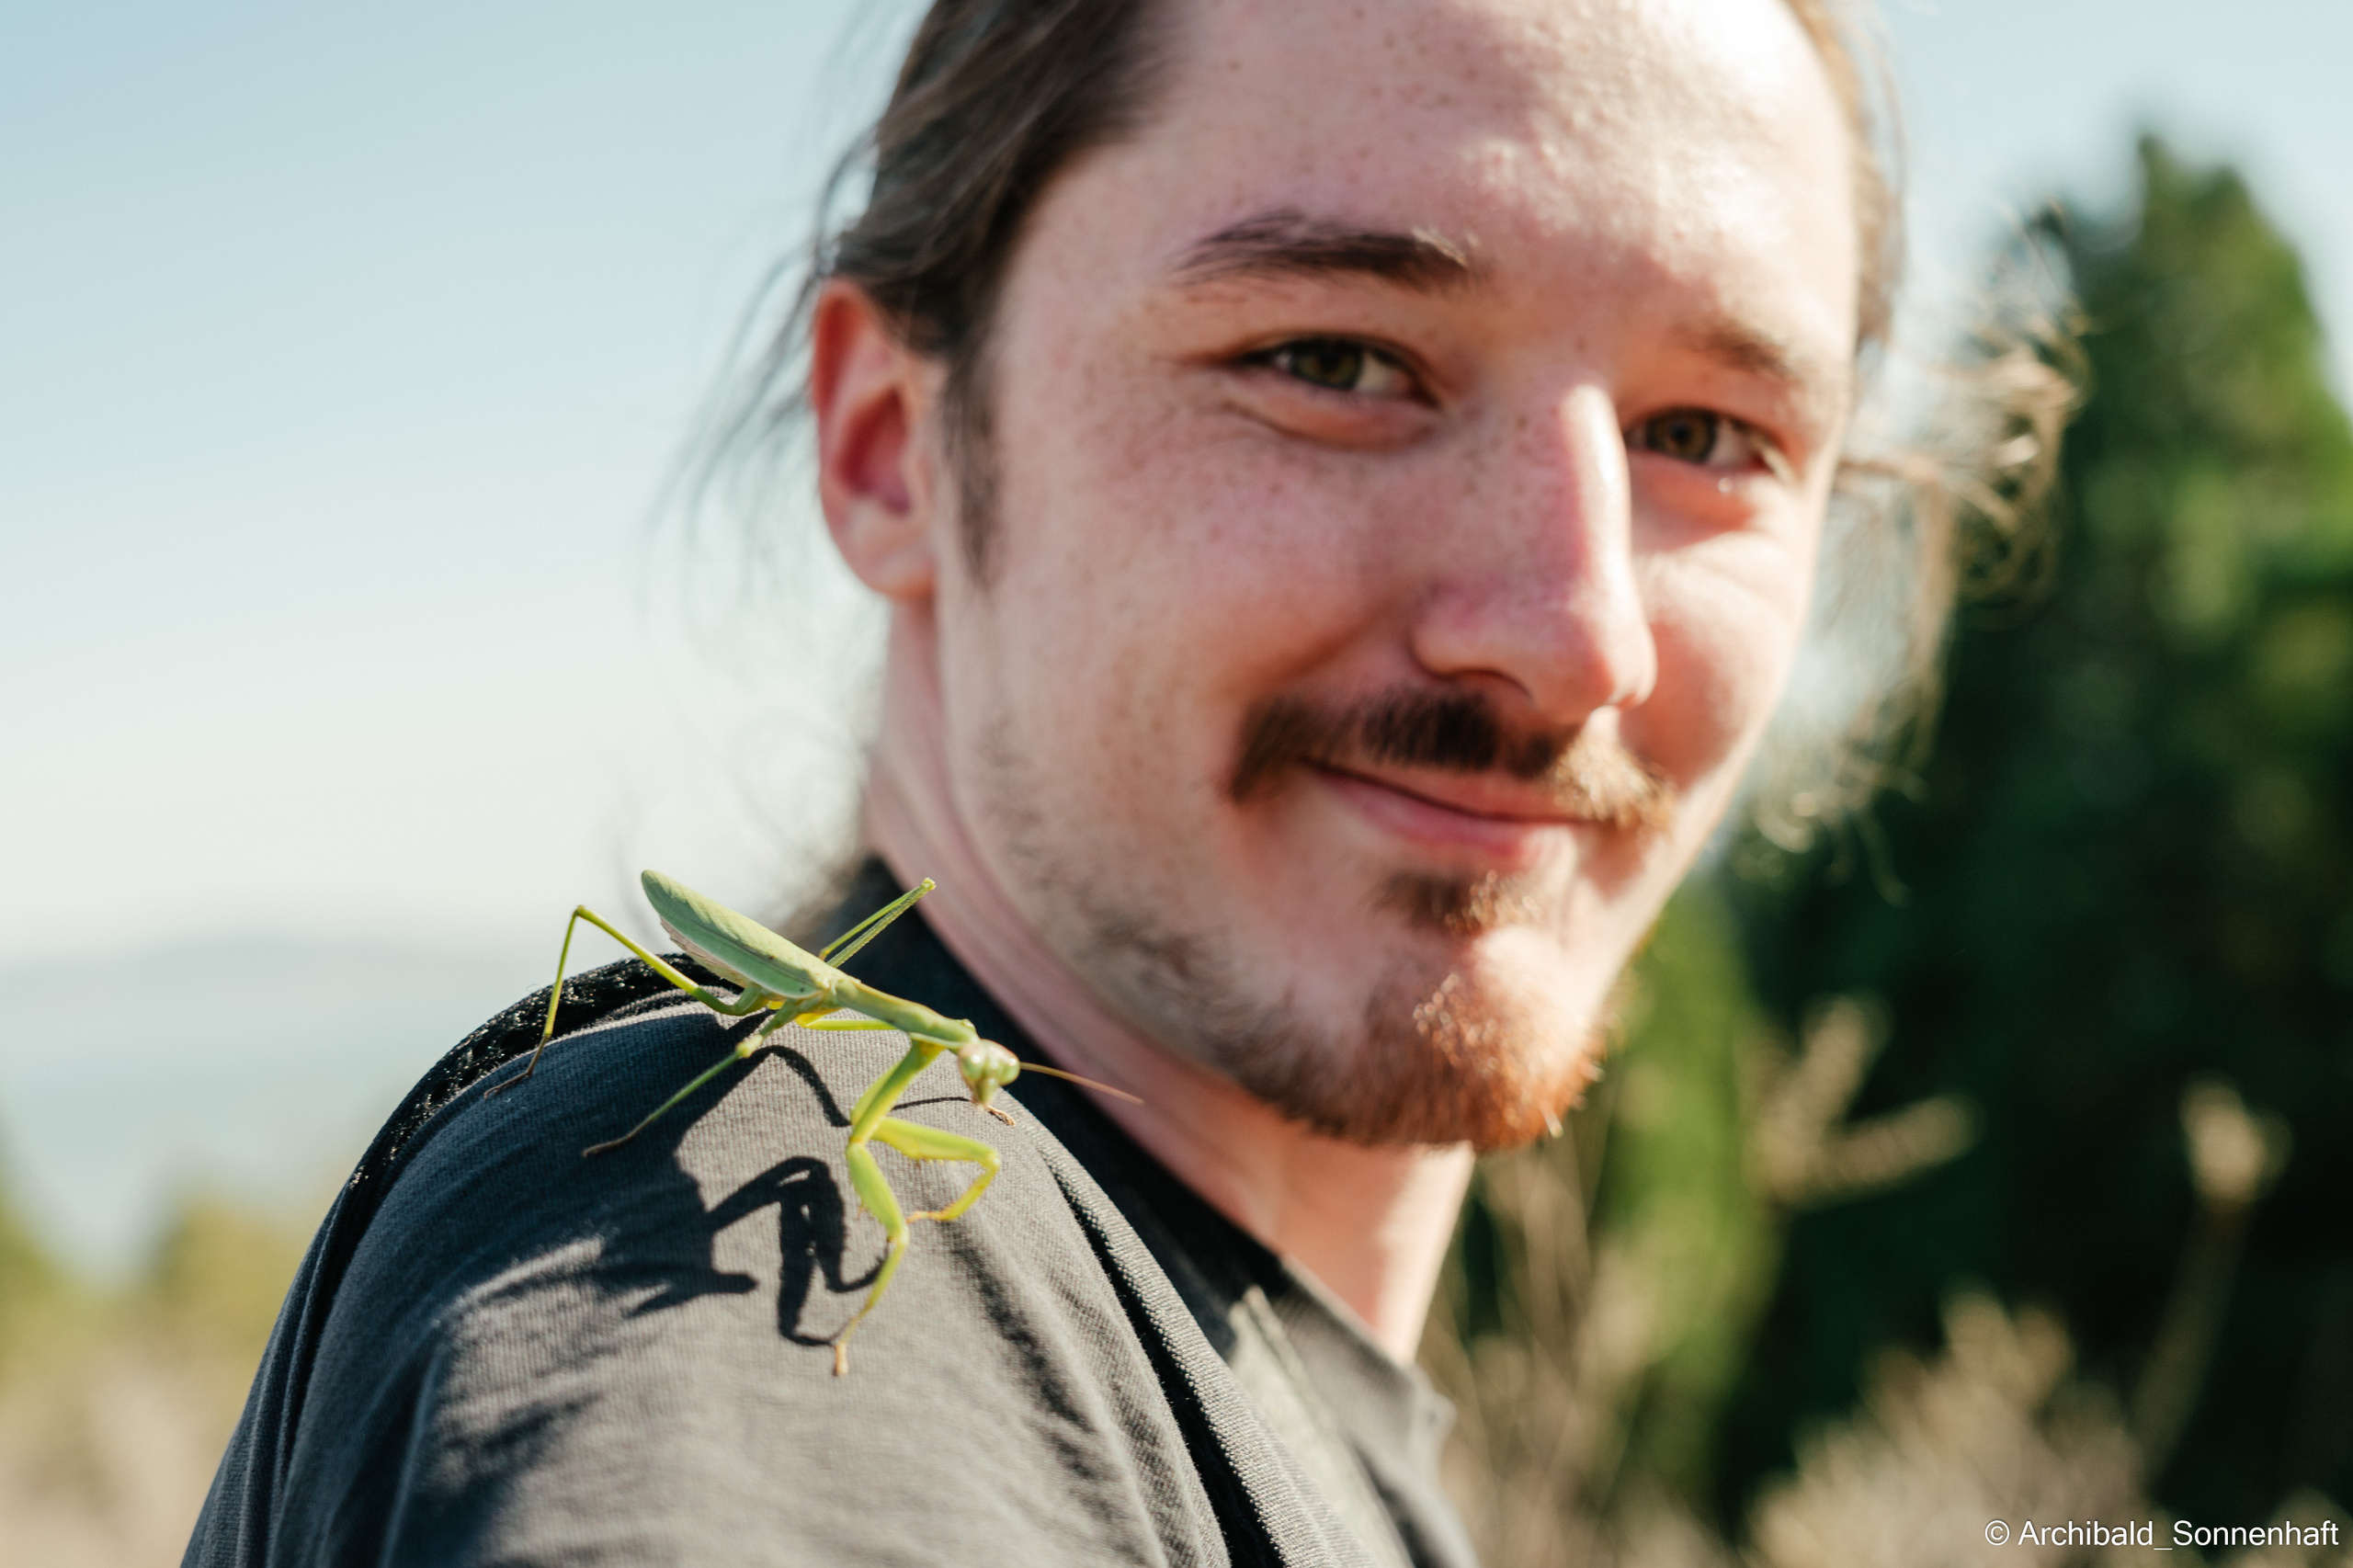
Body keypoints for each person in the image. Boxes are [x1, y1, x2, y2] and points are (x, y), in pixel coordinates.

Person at [185, 0, 2019, 1562]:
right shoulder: (759, 1314)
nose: (1572, 634)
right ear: (893, 447)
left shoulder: (1189, 1382)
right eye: (1332, 359)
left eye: (1707, 435)